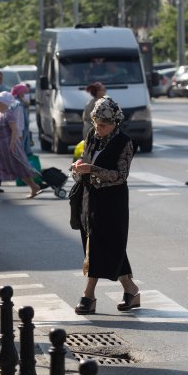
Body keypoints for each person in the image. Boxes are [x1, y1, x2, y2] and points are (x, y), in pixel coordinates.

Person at [71, 96, 140, 315]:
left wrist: (92, 169)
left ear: (114, 123)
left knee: (101, 245)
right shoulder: (92, 135)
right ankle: (131, 290)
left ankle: (88, 295)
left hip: (113, 201)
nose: (97, 128)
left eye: (103, 125)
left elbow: (121, 176)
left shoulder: (125, 142)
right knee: (107, 246)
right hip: (89, 197)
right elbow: (84, 160)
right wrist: (78, 167)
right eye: (95, 123)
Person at [0, 92, 41, 201]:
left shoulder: (8, 114)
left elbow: (14, 130)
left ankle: (34, 187)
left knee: (19, 168)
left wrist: (12, 144)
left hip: (8, 148)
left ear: (3, 102)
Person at [11, 83, 33, 156]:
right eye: (26, 92)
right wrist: (19, 136)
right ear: (20, 94)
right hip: (19, 138)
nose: (28, 95)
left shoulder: (20, 104)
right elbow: (18, 123)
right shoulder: (18, 105)